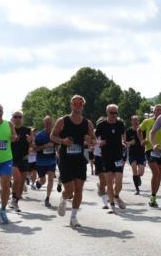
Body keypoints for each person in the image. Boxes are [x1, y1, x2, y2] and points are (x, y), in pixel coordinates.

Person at [50, 95, 94, 227]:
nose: (77, 105)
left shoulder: (88, 123)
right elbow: (52, 136)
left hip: (80, 159)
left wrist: (89, 141)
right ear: (71, 105)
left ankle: (73, 217)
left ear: (83, 106)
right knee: (69, 190)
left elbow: (94, 140)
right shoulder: (62, 121)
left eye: (80, 103)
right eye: (75, 103)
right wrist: (63, 141)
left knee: (79, 189)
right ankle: (64, 199)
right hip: (65, 159)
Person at [95, 104, 128, 213]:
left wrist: (123, 142)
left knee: (119, 182)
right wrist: (100, 142)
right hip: (106, 156)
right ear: (107, 112)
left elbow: (124, 135)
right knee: (109, 182)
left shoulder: (120, 124)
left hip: (118, 155)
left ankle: (116, 196)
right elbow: (94, 139)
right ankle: (112, 205)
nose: (113, 115)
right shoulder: (101, 125)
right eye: (111, 113)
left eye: (115, 113)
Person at [139, 105, 161, 207]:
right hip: (150, 149)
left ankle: (153, 197)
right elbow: (139, 130)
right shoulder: (147, 121)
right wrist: (142, 140)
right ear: (153, 112)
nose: (159, 111)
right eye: (157, 110)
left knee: (159, 174)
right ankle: (153, 197)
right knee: (157, 173)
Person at [9, 110, 31, 212]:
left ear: (22, 119)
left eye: (20, 117)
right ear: (12, 118)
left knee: (21, 183)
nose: (17, 118)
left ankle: (15, 201)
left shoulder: (27, 130)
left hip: (24, 158)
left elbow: (32, 146)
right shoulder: (9, 129)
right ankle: (13, 198)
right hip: (12, 158)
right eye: (15, 116)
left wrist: (31, 142)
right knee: (17, 179)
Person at [33, 116, 58, 207]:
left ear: (52, 123)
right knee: (43, 181)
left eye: (50, 123)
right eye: (46, 123)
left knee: (51, 178)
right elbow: (34, 149)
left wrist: (57, 152)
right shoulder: (40, 135)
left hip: (51, 160)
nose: (48, 124)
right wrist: (45, 146)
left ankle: (47, 198)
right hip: (41, 161)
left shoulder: (54, 134)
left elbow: (57, 145)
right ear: (44, 124)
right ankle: (39, 182)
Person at [125, 115, 146, 195]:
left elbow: (146, 139)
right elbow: (125, 142)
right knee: (134, 169)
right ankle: (137, 189)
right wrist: (130, 143)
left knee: (141, 172)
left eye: (137, 120)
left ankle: (138, 177)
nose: (135, 122)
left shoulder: (142, 130)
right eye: (134, 120)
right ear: (131, 121)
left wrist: (144, 141)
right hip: (132, 153)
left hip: (141, 153)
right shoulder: (128, 131)